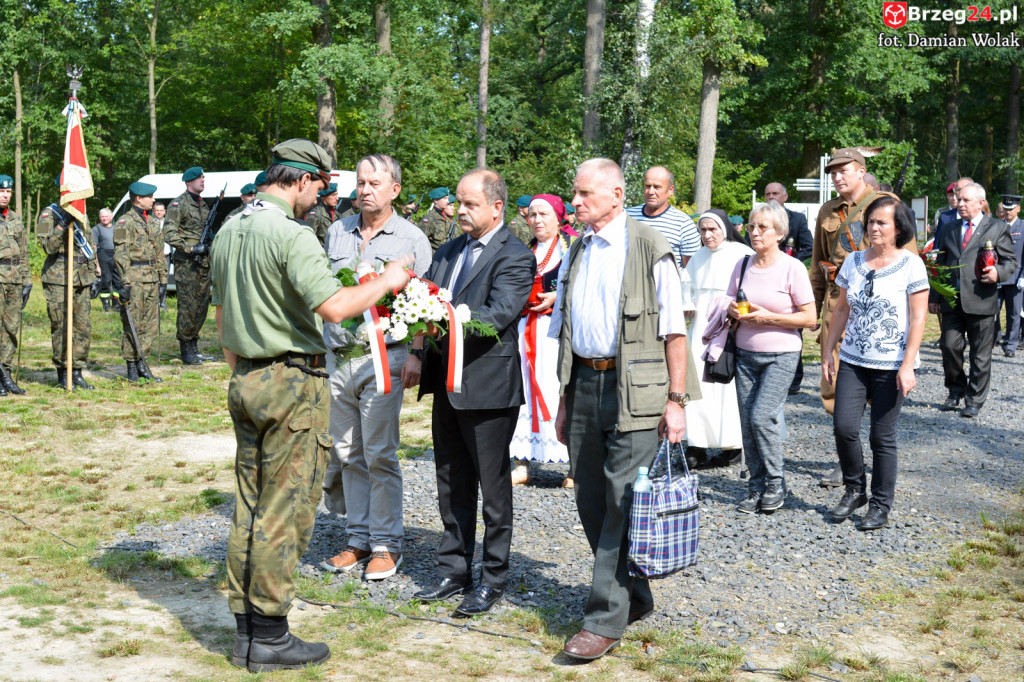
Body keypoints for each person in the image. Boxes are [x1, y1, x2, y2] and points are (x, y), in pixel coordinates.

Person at [211, 139, 412, 673]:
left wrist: (243, 372)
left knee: (250, 506)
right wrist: (390, 279)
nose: (323, 196)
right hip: (292, 382)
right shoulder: (290, 234)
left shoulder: (231, 227)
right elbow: (337, 305)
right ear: (300, 179)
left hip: (247, 378)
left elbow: (221, 314)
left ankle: (247, 629)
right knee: (287, 509)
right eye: (321, 185)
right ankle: (271, 634)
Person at [551, 159, 691, 662]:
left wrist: (675, 402)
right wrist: (566, 399)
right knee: (590, 495)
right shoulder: (579, 247)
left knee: (620, 500)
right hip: (586, 382)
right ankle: (635, 594)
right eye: (575, 193)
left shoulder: (650, 247)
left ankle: (604, 618)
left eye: (586, 193)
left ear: (616, 193)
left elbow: (675, 331)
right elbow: (565, 329)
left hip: (639, 389)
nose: (577, 201)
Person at [404, 169, 535, 618]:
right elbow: (425, 296)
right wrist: (418, 349)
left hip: (488, 389)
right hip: (446, 384)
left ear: (497, 207)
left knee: (493, 490)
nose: (460, 210)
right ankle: (452, 570)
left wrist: (448, 319)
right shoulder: (449, 248)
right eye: (458, 203)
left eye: (470, 204)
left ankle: (493, 578)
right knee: (451, 480)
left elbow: (498, 315)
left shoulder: (516, 255)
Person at [320, 154, 431, 580]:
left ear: (394, 190)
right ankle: (357, 539)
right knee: (347, 452)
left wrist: (417, 352)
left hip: (384, 358)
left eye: (375, 183)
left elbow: (426, 301)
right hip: (339, 358)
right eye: (361, 182)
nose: (366, 190)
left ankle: (386, 545)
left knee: (380, 453)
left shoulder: (411, 239)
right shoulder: (337, 231)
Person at [822, 197, 928, 530]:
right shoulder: (853, 261)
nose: (873, 227)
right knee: (844, 427)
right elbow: (841, 310)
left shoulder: (912, 265)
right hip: (853, 359)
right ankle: (855, 489)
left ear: (900, 228)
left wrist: (908, 364)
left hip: (892, 363)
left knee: (882, 437)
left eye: (881, 222)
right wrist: (828, 351)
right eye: (870, 221)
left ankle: (881, 504)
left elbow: (919, 318)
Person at [810, 148, 906, 488]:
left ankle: (876, 459)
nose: (837, 177)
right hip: (839, 305)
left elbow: (907, 258)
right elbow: (819, 264)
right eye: (833, 172)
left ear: (861, 171)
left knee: (875, 393)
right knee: (835, 388)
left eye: (844, 170)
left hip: (878, 310)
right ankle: (846, 459)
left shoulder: (885, 204)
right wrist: (814, 305)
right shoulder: (827, 211)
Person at [728, 202, 816, 514]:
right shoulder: (742, 265)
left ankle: (776, 482)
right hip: (744, 354)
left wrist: (769, 318)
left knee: (760, 416)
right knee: (747, 423)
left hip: (781, 354)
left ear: (779, 233)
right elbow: (730, 299)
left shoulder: (792, 268)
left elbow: (809, 318)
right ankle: (756, 486)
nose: (754, 232)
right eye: (752, 226)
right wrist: (729, 308)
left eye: (762, 227)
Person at [929, 183, 1017, 417]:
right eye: (958, 200)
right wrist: (935, 295)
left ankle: (974, 400)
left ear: (980, 203)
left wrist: (998, 273)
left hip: (981, 299)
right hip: (952, 301)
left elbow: (1010, 262)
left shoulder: (996, 228)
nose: (960, 204)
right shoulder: (949, 228)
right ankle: (955, 389)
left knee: (980, 353)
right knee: (949, 346)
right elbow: (939, 264)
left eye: (966, 200)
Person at [509, 194, 571, 487]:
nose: (537, 220)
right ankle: (522, 461)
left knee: (558, 388)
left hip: (556, 333)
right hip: (525, 330)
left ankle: (575, 466)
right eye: (532, 215)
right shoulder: (523, 251)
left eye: (543, 214)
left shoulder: (573, 249)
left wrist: (558, 297)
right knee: (522, 389)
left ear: (558, 217)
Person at [684, 209, 752, 469]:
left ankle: (732, 446)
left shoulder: (740, 254)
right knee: (698, 387)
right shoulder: (698, 257)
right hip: (699, 330)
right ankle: (696, 444)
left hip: (727, 329)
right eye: (703, 230)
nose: (707, 235)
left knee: (725, 388)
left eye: (712, 229)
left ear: (725, 229)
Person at [38, 197, 98, 390]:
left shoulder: (82, 213)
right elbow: (48, 247)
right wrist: (62, 224)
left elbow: (89, 244)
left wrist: (94, 273)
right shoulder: (49, 214)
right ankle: (63, 373)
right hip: (59, 277)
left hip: (82, 276)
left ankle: (77, 371)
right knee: (61, 326)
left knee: (82, 327)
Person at [113, 181, 166, 383]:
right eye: (150, 197)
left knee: (150, 325)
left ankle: (143, 364)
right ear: (138, 198)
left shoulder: (153, 223)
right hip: (134, 278)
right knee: (133, 323)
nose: (153, 200)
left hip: (151, 279)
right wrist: (124, 283)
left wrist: (162, 280)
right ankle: (131, 367)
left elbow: (159, 253)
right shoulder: (124, 222)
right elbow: (120, 254)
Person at [763, 182, 814, 394]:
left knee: (793, 329)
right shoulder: (759, 219)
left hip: (788, 279)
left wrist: (789, 262)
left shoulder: (797, 219)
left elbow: (808, 246)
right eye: (768, 194)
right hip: (764, 278)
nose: (772, 197)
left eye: (776, 193)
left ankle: (794, 380)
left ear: (785, 196)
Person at [164, 166, 214, 366]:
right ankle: (186, 349)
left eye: (203, 177)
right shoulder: (178, 204)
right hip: (188, 262)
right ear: (188, 182)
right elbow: (169, 233)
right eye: (199, 178)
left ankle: (195, 347)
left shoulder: (204, 205)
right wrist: (191, 248)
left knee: (201, 306)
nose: (202, 180)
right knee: (187, 306)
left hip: (204, 263)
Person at [625, 166, 701, 269]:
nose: (650, 192)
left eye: (657, 187)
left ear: (670, 190)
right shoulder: (627, 216)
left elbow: (690, 270)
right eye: (647, 186)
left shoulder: (683, 224)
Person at [0, 175, 29, 395]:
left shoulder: (16, 219)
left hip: (15, 280)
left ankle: (6, 371)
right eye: (1, 191)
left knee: (11, 327)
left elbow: (24, 252)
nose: (5, 195)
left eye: (8, 192)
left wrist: (26, 280)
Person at [997, 195, 1023, 357]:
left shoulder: (1023, 226)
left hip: (1016, 277)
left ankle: (1011, 344)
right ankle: (995, 337)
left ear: (1018, 209)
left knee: (1013, 313)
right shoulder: (997, 226)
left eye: (1011, 209)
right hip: (998, 276)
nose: (1007, 212)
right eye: (1005, 209)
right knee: (993, 311)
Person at [92, 208, 120, 313]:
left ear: (111, 217)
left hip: (116, 255)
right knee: (106, 280)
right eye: (102, 217)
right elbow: (94, 247)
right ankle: (106, 305)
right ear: (99, 218)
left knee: (118, 280)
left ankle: (116, 304)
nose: (104, 218)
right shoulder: (96, 229)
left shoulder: (116, 228)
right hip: (103, 256)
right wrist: (97, 265)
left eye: (106, 216)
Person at [306, 182, 339, 247]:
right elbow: (309, 238)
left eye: (337, 195)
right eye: (333, 195)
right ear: (323, 197)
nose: (337, 198)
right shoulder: (315, 214)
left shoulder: (336, 213)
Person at [154, 202, 168, 311]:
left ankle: (162, 304)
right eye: (157, 210)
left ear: (164, 211)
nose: (159, 212)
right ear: (154, 212)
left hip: (166, 256)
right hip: (154, 257)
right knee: (155, 281)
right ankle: (155, 304)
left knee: (164, 281)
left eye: (161, 210)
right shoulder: (150, 223)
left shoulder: (169, 223)